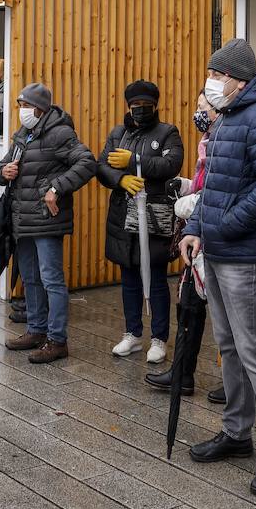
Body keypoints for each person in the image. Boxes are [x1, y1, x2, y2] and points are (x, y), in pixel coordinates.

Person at [179, 38, 256, 497]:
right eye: (210, 75)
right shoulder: (229, 118)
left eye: (217, 76)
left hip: (246, 256)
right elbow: (212, 182)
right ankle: (236, 433)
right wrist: (196, 225)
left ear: (237, 79)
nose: (211, 83)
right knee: (229, 347)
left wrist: (224, 226)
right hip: (218, 249)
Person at [0, 83, 96, 365]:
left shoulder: (60, 133)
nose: (22, 111)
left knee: (51, 279)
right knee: (30, 278)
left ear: (40, 109)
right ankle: (36, 331)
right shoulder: (22, 134)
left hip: (46, 218)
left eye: (26, 106)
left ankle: (57, 339)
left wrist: (56, 188)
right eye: (20, 105)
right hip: (22, 219)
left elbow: (87, 163)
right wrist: (4, 172)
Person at [97, 80, 184, 364]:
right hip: (124, 215)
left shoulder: (168, 132)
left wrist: (135, 160)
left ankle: (159, 339)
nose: (140, 110)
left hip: (154, 216)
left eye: (145, 105)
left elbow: (171, 165)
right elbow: (102, 167)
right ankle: (132, 334)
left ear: (155, 105)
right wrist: (121, 178)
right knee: (129, 277)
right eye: (135, 105)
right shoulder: (117, 133)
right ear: (128, 106)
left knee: (157, 277)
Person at [146, 92, 225, 404]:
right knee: (189, 304)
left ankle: (236, 384)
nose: (198, 112)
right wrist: (185, 186)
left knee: (227, 317)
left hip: (218, 235)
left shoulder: (223, 141)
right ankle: (183, 374)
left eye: (202, 107)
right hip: (199, 236)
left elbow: (220, 191)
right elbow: (205, 185)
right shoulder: (206, 140)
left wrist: (188, 203)